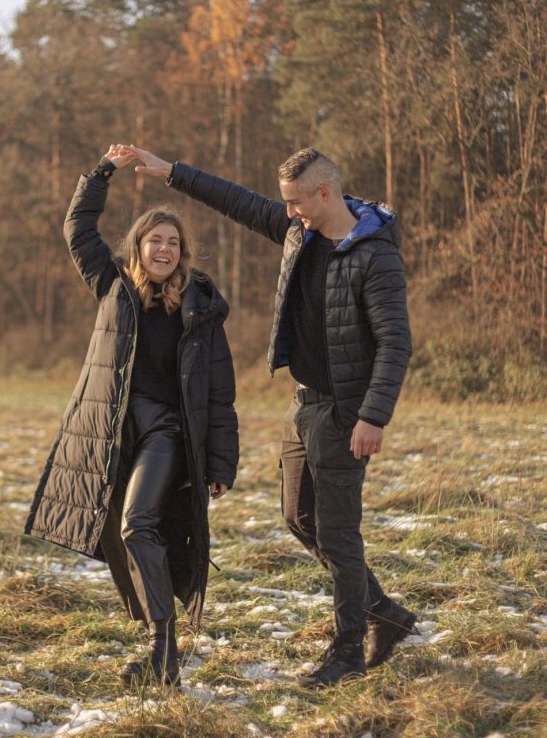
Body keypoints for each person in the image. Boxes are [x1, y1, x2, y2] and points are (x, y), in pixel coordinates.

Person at [123, 143, 415, 689]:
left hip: (346, 410)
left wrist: (373, 417)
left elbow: (396, 342)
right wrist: (172, 173)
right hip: (303, 403)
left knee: (338, 533)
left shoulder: (375, 256)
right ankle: (383, 612)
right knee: (298, 519)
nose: (287, 211)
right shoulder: (298, 231)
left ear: (324, 193)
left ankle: (349, 649)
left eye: (297, 201)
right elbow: (238, 201)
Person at [24, 145, 239, 688]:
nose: (164, 249)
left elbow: (220, 393)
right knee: (118, 535)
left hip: (166, 430)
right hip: (113, 431)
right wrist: (100, 172)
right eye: (155, 240)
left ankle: (163, 650)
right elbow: (77, 227)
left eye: (173, 243)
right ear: (138, 248)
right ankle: (156, 647)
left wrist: (221, 462)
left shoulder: (202, 307)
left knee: (137, 522)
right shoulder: (113, 287)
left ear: (182, 253)